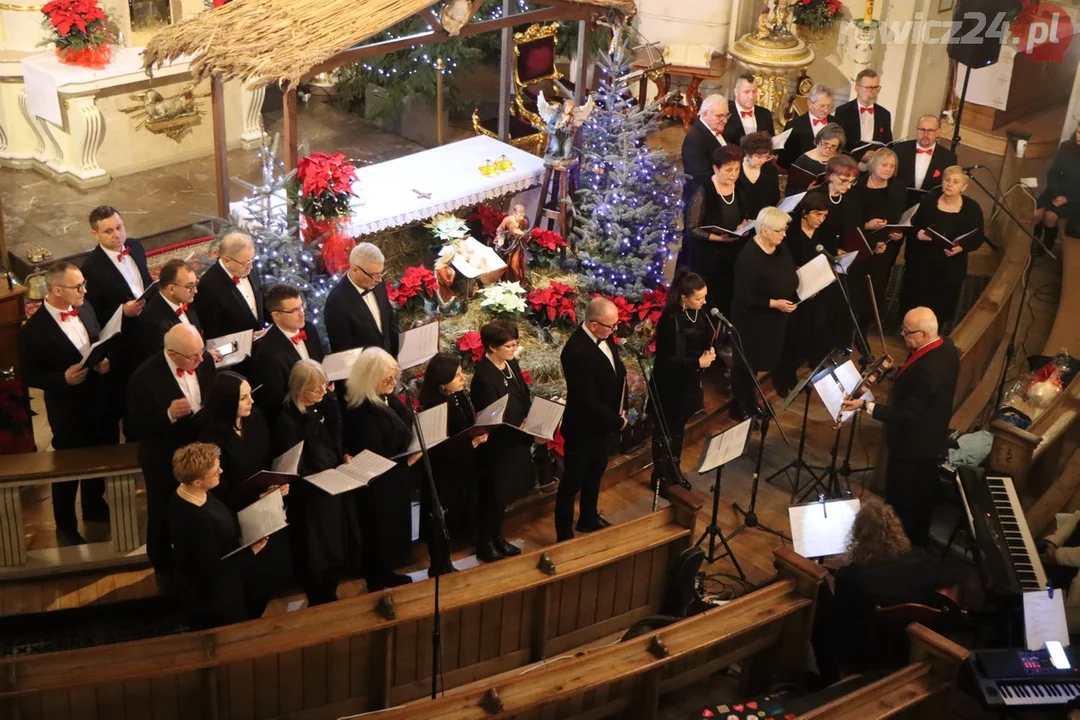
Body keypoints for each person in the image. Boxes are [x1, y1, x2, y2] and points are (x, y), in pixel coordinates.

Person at [842, 307, 959, 546]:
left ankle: (900, 548)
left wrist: (865, 406)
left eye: (907, 332)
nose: (902, 334)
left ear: (925, 334)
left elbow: (905, 415)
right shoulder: (946, 346)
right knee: (919, 498)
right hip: (931, 438)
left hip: (912, 447)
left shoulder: (928, 371)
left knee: (903, 500)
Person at [814, 499, 967, 678]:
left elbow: (841, 624)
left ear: (858, 537)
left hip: (866, 653)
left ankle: (827, 678)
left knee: (821, 602)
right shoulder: (920, 558)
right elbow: (958, 573)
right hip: (909, 645)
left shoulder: (851, 577)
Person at [18, 262, 114, 546]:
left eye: (83, 283)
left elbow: (97, 340)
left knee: (99, 456)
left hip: (99, 397)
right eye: (78, 286)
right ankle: (65, 525)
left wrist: (104, 361)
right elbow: (28, 375)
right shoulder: (33, 331)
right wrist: (62, 378)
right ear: (57, 290)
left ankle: (95, 507)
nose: (84, 290)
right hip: (68, 409)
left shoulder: (85, 307)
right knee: (68, 466)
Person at [126, 324, 216, 584]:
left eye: (202, 352)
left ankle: (200, 561)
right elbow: (136, 426)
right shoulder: (143, 376)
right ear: (172, 353)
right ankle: (163, 570)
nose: (201, 360)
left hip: (200, 451)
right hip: (163, 456)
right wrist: (167, 415)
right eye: (193, 356)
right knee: (162, 513)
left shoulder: (204, 360)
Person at [167, 442, 291, 628]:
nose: (222, 471)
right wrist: (252, 550)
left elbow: (227, 511)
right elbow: (212, 570)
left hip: (224, 583)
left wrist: (263, 498)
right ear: (197, 481)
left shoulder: (193, 492)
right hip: (214, 599)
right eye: (216, 471)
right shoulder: (196, 519)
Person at [275, 359, 361, 605]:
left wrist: (343, 453)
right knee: (317, 552)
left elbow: (337, 434)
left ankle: (331, 590)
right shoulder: (289, 419)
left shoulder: (324, 404)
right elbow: (292, 461)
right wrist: (316, 475)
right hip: (311, 497)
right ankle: (318, 597)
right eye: (316, 389)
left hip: (334, 486)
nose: (323, 392)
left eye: (325, 386)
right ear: (299, 389)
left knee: (337, 545)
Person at [342, 348, 417, 590]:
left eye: (395, 377)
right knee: (378, 532)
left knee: (392, 529)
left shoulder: (385, 396)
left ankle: (388, 570)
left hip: (395, 479)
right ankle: (376, 578)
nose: (393, 383)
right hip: (379, 485)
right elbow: (375, 450)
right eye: (387, 379)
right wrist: (407, 460)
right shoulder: (363, 411)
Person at [556, 297, 627, 541]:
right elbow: (585, 401)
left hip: (603, 423)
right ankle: (563, 531)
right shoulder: (575, 352)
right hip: (583, 428)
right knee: (572, 482)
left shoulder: (606, 335)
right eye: (611, 326)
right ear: (593, 325)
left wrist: (622, 408)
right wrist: (616, 422)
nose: (615, 329)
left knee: (596, 472)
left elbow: (619, 375)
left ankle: (588, 516)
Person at [470, 322, 536, 560]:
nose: (514, 349)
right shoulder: (484, 378)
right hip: (498, 445)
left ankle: (498, 536)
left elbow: (523, 393)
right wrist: (520, 430)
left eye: (515, 344)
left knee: (504, 495)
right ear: (492, 347)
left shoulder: (511, 363)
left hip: (516, 438)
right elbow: (491, 417)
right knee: (493, 495)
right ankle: (485, 543)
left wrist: (531, 417)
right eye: (509, 346)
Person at [729, 207, 799, 420]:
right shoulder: (749, 257)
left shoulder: (780, 247)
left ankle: (750, 399)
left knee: (759, 364)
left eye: (784, 229)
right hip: (751, 321)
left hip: (773, 320)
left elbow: (788, 272)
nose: (784, 234)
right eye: (779, 230)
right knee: (745, 364)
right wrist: (774, 303)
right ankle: (739, 405)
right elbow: (744, 297)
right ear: (765, 231)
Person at [418, 353, 486, 572]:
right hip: (442, 474)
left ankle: (445, 561)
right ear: (441, 384)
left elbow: (465, 422)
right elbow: (439, 447)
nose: (463, 378)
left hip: (460, 468)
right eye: (456, 376)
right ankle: (438, 564)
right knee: (440, 519)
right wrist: (473, 443)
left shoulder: (456, 395)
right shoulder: (433, 408)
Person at [80, 205, 150, 416]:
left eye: (119, 227)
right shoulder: (91, 269)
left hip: (149, 324)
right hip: (123, 338)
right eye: (108, 231)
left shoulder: (135, 247)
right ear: (95, 234)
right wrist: (122, 312)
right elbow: (92, 315)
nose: (117, 235)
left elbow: (144, 280)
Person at [650, 268, 715, 495]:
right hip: (669, 384)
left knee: (678, 430)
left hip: (689, 382)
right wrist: (698, 362)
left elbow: (702, 340)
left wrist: (709, 353)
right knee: (664, 431)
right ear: (683, 297)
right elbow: (667, 361)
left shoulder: (700, 314)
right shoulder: (670, 319)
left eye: (705, 296)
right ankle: (660, 477)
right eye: (699, 298)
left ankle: (674, 470)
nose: (704, 302)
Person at [903, 166, 985, 325]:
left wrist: (961, 248)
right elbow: (913, 226)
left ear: (964, 187)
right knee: (916, 297)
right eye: (947, 180)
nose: (949, 184)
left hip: (950, 264)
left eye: (955, 182)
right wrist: (918, 233)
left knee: (942, 302)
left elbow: (978, 237)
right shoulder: (928, 201)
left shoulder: (972, 208)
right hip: (923, 262)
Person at [772, 192, 831, 396]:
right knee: (789, 337)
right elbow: (784, 264)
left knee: (803, 337)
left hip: (812, 293)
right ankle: (781, 378)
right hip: (792, 293)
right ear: (805, 213)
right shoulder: (792, 235)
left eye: (824, 216)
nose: (820, 220)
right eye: (817, 215)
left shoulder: (820, 234)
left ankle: (792, 375)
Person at [685, 145, 752, 316]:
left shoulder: (738, 186)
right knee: (712, 298)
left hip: (734, 253)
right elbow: (692, 228)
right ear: (716, 168)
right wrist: (718, 238)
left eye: (737, 169)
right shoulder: (703, 191)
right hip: (709, 258)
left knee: (730, 296)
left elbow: (744, 212)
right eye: (729, 170)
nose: (734, 174)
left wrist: (743, 225)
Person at [250, 284, 325, 429]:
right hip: (297, 422)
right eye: (294, 310)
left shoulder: (309, 328)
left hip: (323, 408)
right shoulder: (267, 353)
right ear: (276, 315)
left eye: (301, 307)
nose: (302, 313)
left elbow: (320, 362)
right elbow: (276, 400)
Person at [850, 147, 907, 332]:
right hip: (861, 242)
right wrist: (868, 225)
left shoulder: (898, 187)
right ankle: (851, 321)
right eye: (884, 164)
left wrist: (898, 233)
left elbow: (899, 216)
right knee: (856, 284)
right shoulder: (857, 187)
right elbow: (851, 220)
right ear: (873, 164)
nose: (888, 169)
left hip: (885, 245)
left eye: (892, 166)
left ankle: (866, 324)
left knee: (877, 284)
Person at [199, 371, 272, 512]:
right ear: (227, 402)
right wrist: (261, 496)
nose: (251, 401)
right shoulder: (210, 439)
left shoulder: (255, 416)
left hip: (267, 494)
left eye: (250, 394)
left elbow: (268, 456)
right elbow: (221, 491)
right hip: (239, 508)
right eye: (243, 398)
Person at [324, 242, 400, 356]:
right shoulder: (336, 303)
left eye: (381, 273)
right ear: (355, 270)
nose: (379, 280)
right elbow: (344, 351)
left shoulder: (377, 281)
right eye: (374, 275)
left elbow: (389, 319)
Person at [190, 231, 267, 343]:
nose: (250, 267)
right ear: (227, 261)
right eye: (245, 263)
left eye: (252, 260)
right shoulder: (208, 287)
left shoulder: (249, 266)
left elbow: (260, 299)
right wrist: (246, 339)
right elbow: (212, 333)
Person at [135, 259, 210, 363]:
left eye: (195, 284)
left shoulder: (186, 299)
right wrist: (207, 358)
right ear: (171, 289)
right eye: (190, 286)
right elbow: (169, 361)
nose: (195, 290)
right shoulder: (152, 322)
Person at [893, 115, 958, 208]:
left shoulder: (949, 157)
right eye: (922, 130)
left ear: (938, 132)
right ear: (917, 130)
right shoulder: (899, 149)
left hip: (929, 207)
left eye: (930, 131)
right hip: (898, 203)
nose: (925, 134)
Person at [1034, 125, 1080, 251]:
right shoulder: (1066, 147)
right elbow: (1053, 172)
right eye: (1079, 132)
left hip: (1074, 198)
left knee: (1050, 216)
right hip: (1056, 189)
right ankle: (1034, 241)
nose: (1079, 137)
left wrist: (1067, 199)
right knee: (1036, 213)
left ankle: (1046, 246)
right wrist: (1056, 193)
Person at [681, 94, 731, 208]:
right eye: (720, 116)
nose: (725, 120)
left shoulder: (717, 128)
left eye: (726, 115)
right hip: (704, 201)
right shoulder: (694, 139)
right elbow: (700, 176)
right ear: (705, 114)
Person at [834, 69, 894, 161]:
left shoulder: (884, 114)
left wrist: (877, 156)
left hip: (875, 166)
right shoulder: (843, 112)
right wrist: (859, 156)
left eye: (876, 87)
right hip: (848, 164)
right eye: (869, 88)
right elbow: (838, 143)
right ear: (857, 88)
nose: (873, 92)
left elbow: (888, 143)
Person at [779, 83, 835, 169]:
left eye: (829, 106)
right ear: (809, 104)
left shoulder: (837, 122)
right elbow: (784, 160)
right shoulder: (793, 126)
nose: (826, 110)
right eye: (822, 106)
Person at [786, 122, 845, 194]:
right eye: (825, 143)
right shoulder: (803, 161)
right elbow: (789, 191)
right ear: (819, 140)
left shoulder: (840, 160)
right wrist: (807, 191)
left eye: (833, 146)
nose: (828, 149)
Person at [736, 131, 781, 220]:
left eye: (766, 156)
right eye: (759, 157)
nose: (762, 160)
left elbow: (775, 198)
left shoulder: (770, 170)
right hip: (742, 220)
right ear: (747, 153)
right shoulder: (736, 169)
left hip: (765, 219)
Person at [722, 73, 775, 145]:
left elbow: (771, 142)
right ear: (736, 92)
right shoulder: (724, 113)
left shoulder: (765, 114)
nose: (751, 97)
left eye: (754, 91)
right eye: (746, 92)